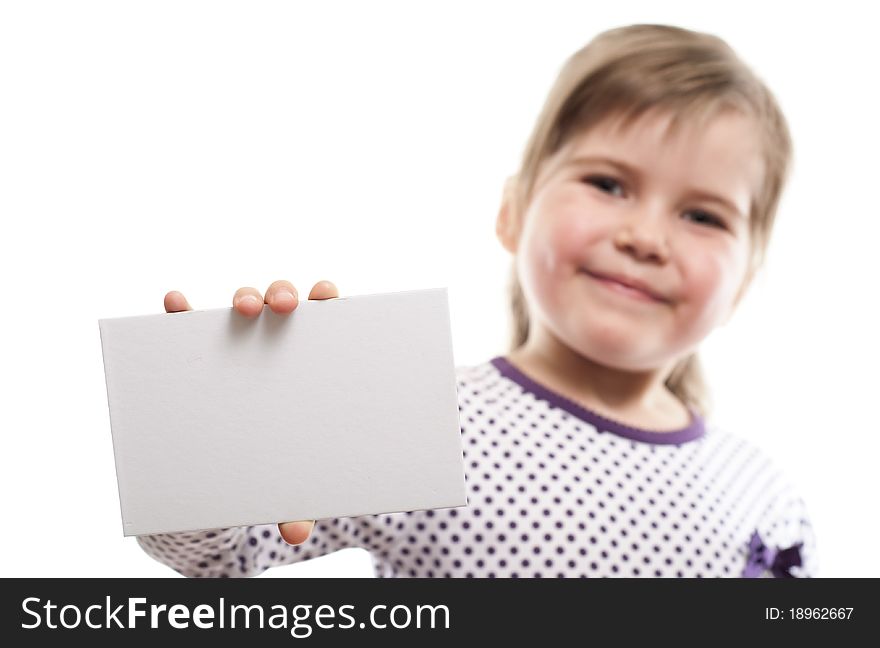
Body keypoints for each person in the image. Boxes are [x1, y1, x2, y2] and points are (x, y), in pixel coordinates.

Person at [137, 24, 817, 578]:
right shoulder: (421, 420)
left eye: (703, 216)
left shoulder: (763, 492)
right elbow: (220, 556)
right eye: (609, 184)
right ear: (512, 213)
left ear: (744, 285)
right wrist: (216, 425)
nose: (645, 237)